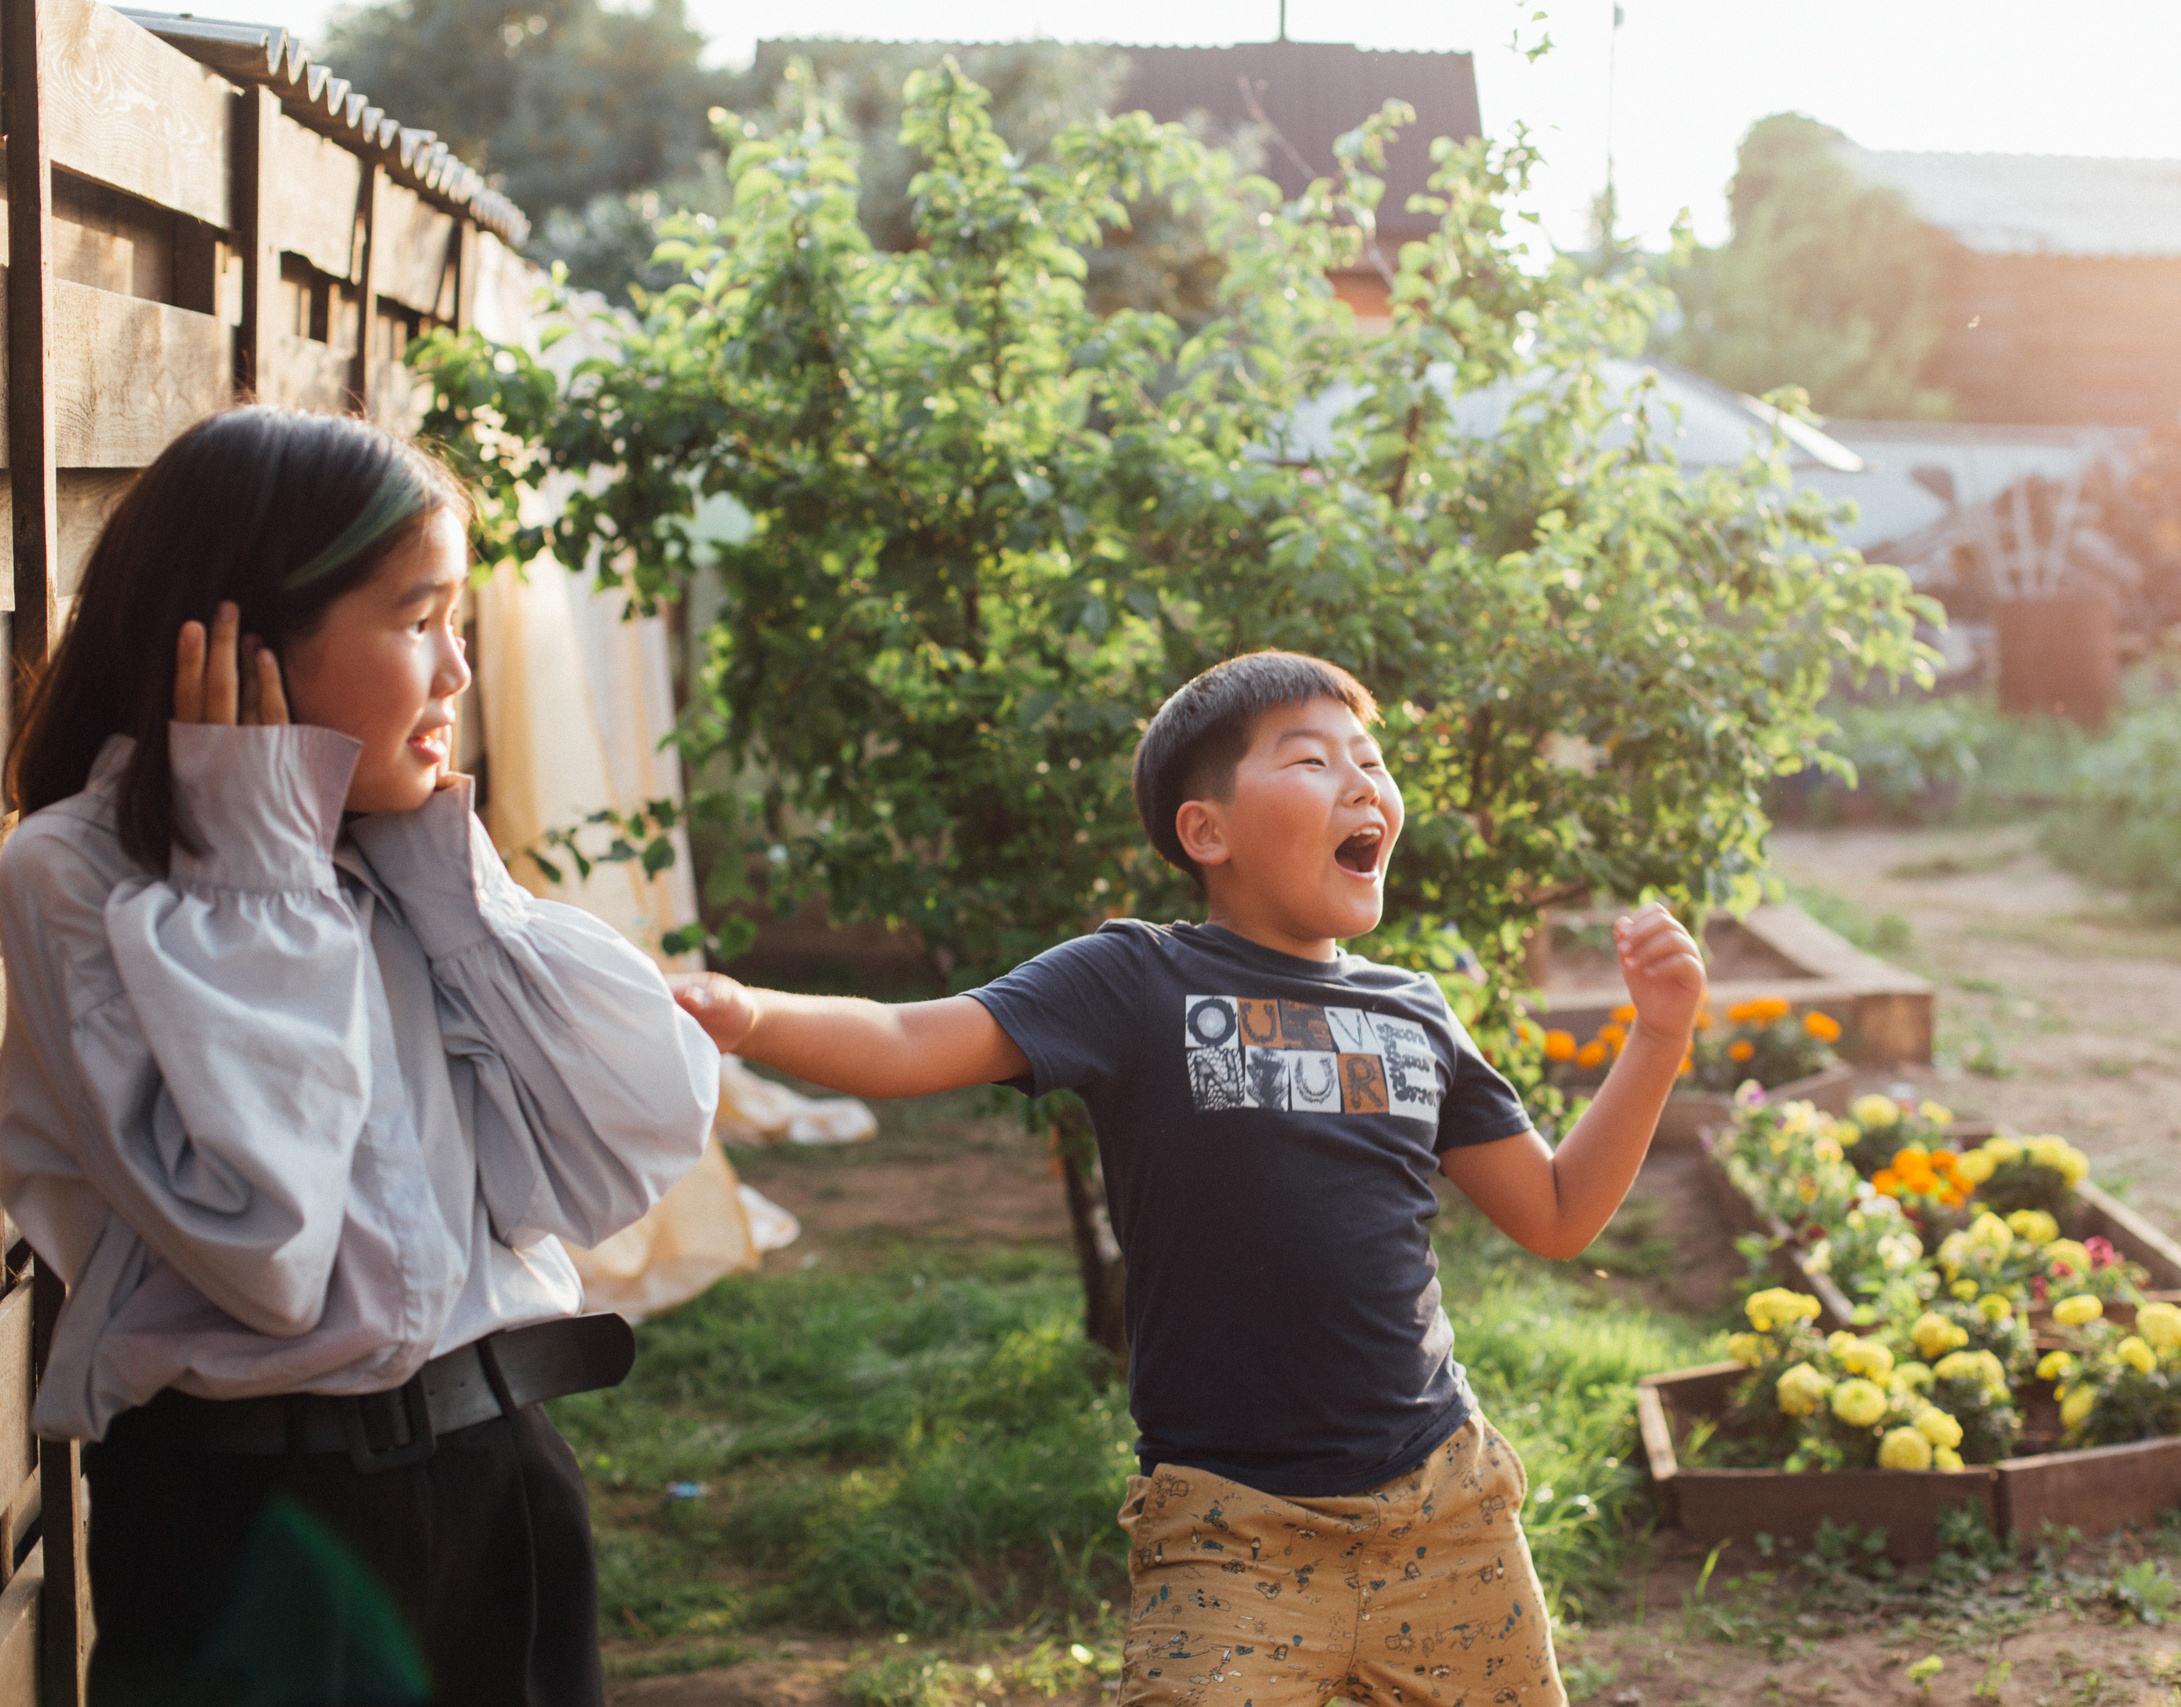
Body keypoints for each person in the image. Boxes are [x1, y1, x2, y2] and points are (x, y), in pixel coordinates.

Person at [672, 650, 1705, 1707]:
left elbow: (1559, 1213)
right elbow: (904, 1039)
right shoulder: (1134, 980)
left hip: (1443, 1515)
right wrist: (746, 1014)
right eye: (1311, 761)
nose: (1363, 784)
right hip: (1230, 1536)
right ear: (1205, 832)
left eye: (1372, 760)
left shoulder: (1414, 1012)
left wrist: (1658, 1037)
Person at [0, 407, 721, 1705]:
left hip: (500, 1481)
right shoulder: (76, 870)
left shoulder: (391, 846)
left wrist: (455, 885)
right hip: (246, 1521)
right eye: (415, 617)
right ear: (246, 635)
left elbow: (624, 1138)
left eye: (460, 621)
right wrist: (258, 876)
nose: (456, 671)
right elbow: (267, 1244)